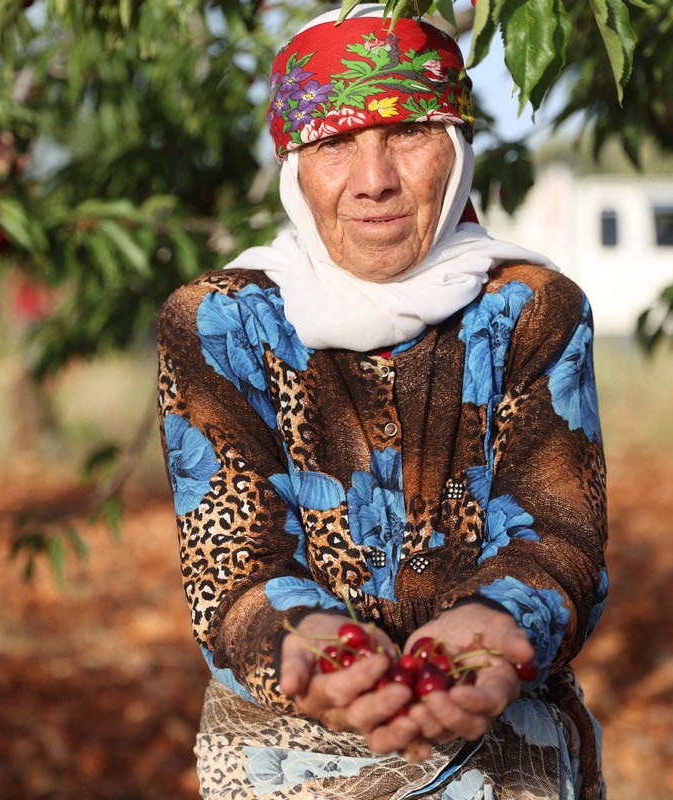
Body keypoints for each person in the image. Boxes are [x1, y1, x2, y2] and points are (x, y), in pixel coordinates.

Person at [157, 6, 608, 799]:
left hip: (501, 757)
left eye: (407, 132)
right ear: (295, 164)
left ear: (458, 148)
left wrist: (499, 624)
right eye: (334, 142)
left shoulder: (529, 307)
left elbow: (558, 533)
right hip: (286, 763)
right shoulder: (224, 321)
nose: (373, 179)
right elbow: (233, 567)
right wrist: (312, 641)